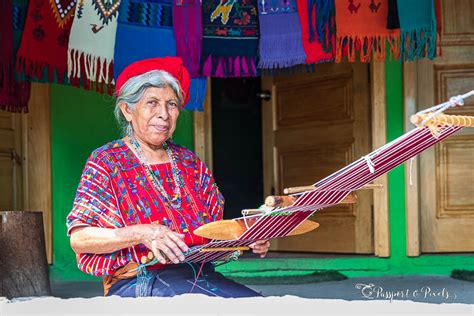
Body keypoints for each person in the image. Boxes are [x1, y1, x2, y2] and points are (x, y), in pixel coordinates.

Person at [66, 57, 270, 297]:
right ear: (127, 110)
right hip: (138, 280)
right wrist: (143, 233)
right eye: (152, 103)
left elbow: (211, 231)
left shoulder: (189, 162)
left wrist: (247, 236)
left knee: (259, 306)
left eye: (172, 105)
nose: (164, 114)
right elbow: (80, 238)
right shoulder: (107, 162)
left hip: (199, 275)